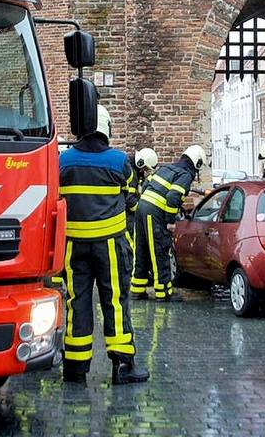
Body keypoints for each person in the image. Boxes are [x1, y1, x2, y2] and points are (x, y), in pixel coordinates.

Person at [58, 105, 149, 385]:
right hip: (110, 246)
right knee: (115, 303)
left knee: (77, 303)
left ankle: (75, 367)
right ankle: (122, 366)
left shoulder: (62, 162)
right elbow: (132, 197)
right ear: (106, 127)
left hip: (73, 247)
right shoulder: (120, 161)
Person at [133, 145, 205, 301]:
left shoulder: (168, 168)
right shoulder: (185, 174)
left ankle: (137, 289)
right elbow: (173, 197)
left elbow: (146, 184)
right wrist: (170, 221)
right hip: (155, 213)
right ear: (197, 163)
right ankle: (163, 292)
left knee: (142, 250)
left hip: (141, 209)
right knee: (160, 250)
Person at [128, 147, 159, 254]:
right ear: (140, 163)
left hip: (131, 214)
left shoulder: (135, 170)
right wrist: (142, 210)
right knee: (134, 246)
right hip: (128, 216)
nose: (145, 171)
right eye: (145, 168)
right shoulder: (132, 174)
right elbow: (130, 200)